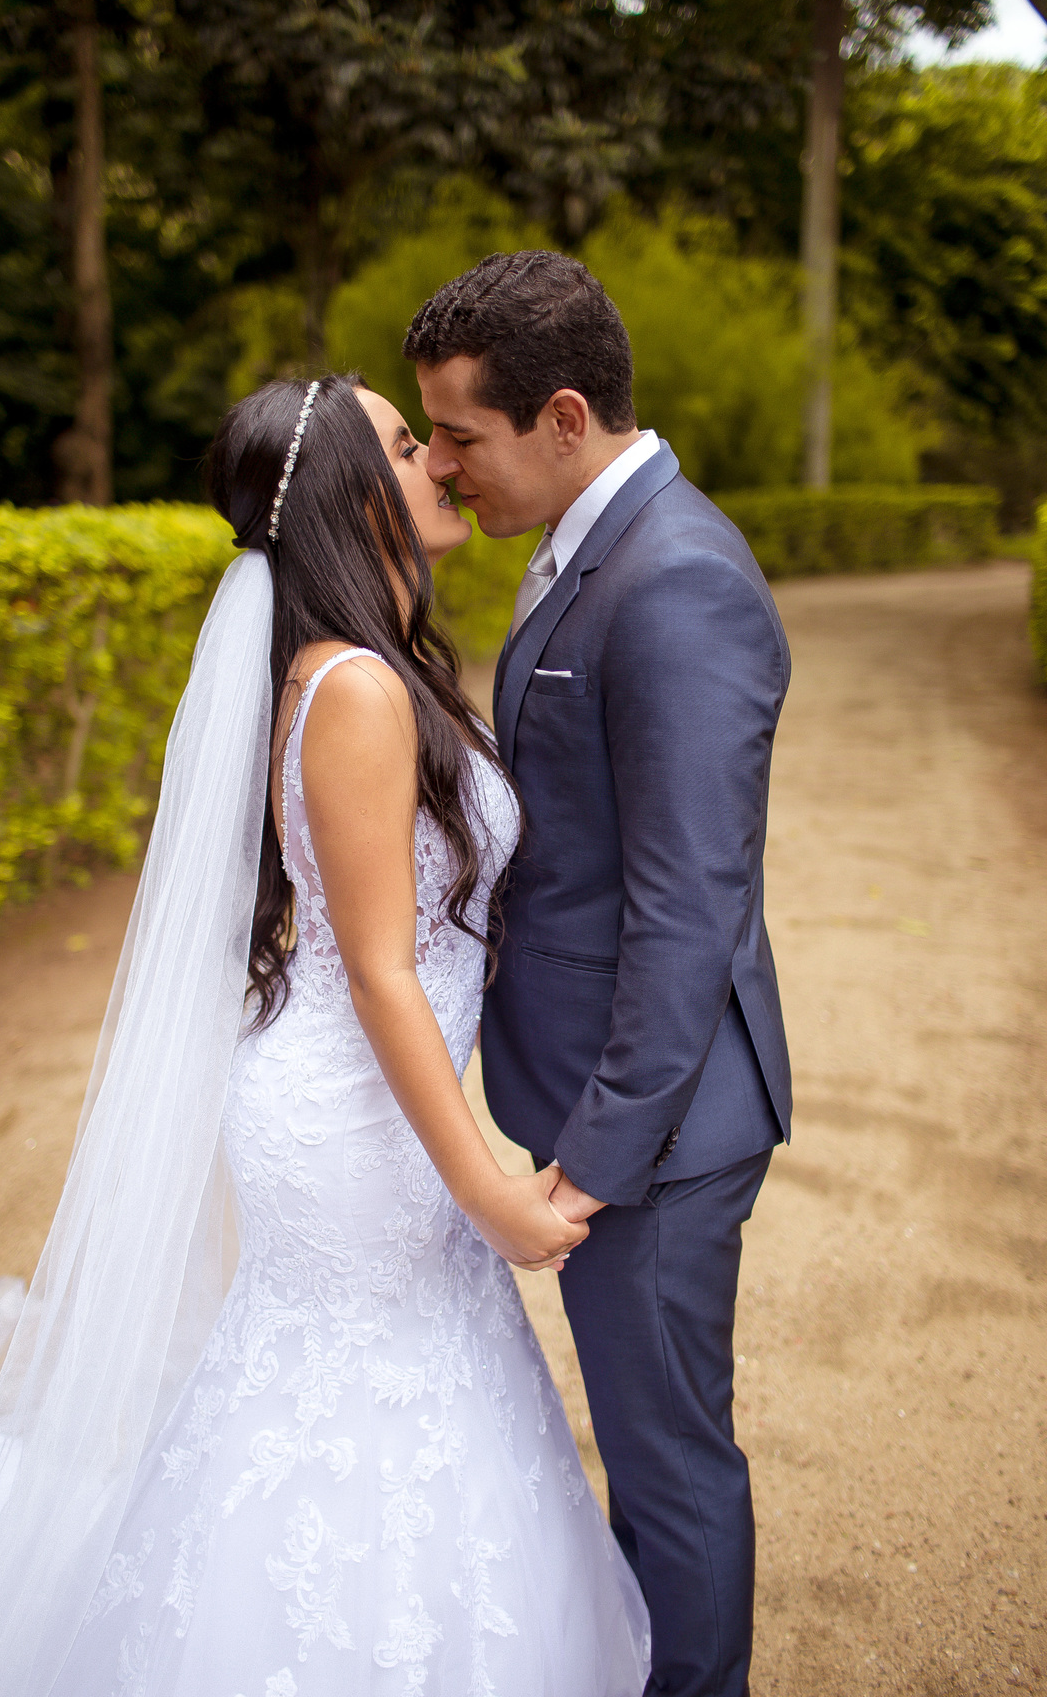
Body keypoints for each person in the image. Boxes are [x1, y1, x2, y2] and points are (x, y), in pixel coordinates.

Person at [0, 373, 649, 1697]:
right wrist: (487, 1189)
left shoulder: (368, 672)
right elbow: (386, 974)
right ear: (350, 495)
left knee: (395, 1387)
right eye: (407, 444)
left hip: (367, 1107)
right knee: (349, 1394)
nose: (440, 460)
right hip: (354, 1121)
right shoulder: (357, 695)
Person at [405, 252, 793, 1697]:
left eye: (461, 435)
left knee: (669, 1461)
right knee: (646, 1445)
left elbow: (690, 906)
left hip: (662, 1128)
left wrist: (596, 1162)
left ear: (563, 416)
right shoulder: (589, 541)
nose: (443, 467)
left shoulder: (679, 579)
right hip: (608, 1104)